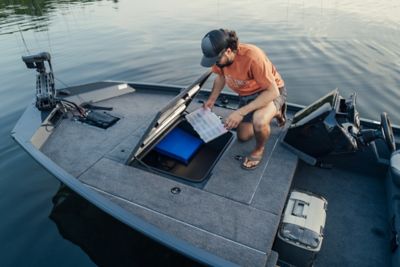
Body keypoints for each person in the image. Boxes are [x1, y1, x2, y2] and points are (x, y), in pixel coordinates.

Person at [200, 29, 287, 170]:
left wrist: (240, 113)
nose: (215, 63)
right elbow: (220, 77)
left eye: (216, 60)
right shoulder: (221, 61)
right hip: (246, 95)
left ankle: (259, 149)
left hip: (271, 92)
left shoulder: (253, 57)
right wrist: (211, 100)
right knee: (243, 137)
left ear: (228, 51)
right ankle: (274, 113)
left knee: (259, 121)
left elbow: (273, 91)